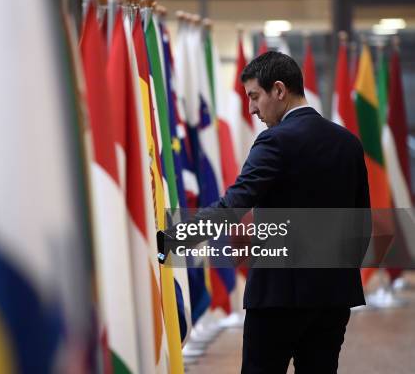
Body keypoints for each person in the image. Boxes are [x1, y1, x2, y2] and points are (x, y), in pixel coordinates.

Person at [159, 51, 371, 373]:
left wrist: (172, 240)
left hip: (278, 299)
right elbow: (362, 225)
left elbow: (233, 205)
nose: (251, 108)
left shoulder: (275, 141)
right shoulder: (349, 143)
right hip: (334, 297)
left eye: (255, 96)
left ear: (279, 90)